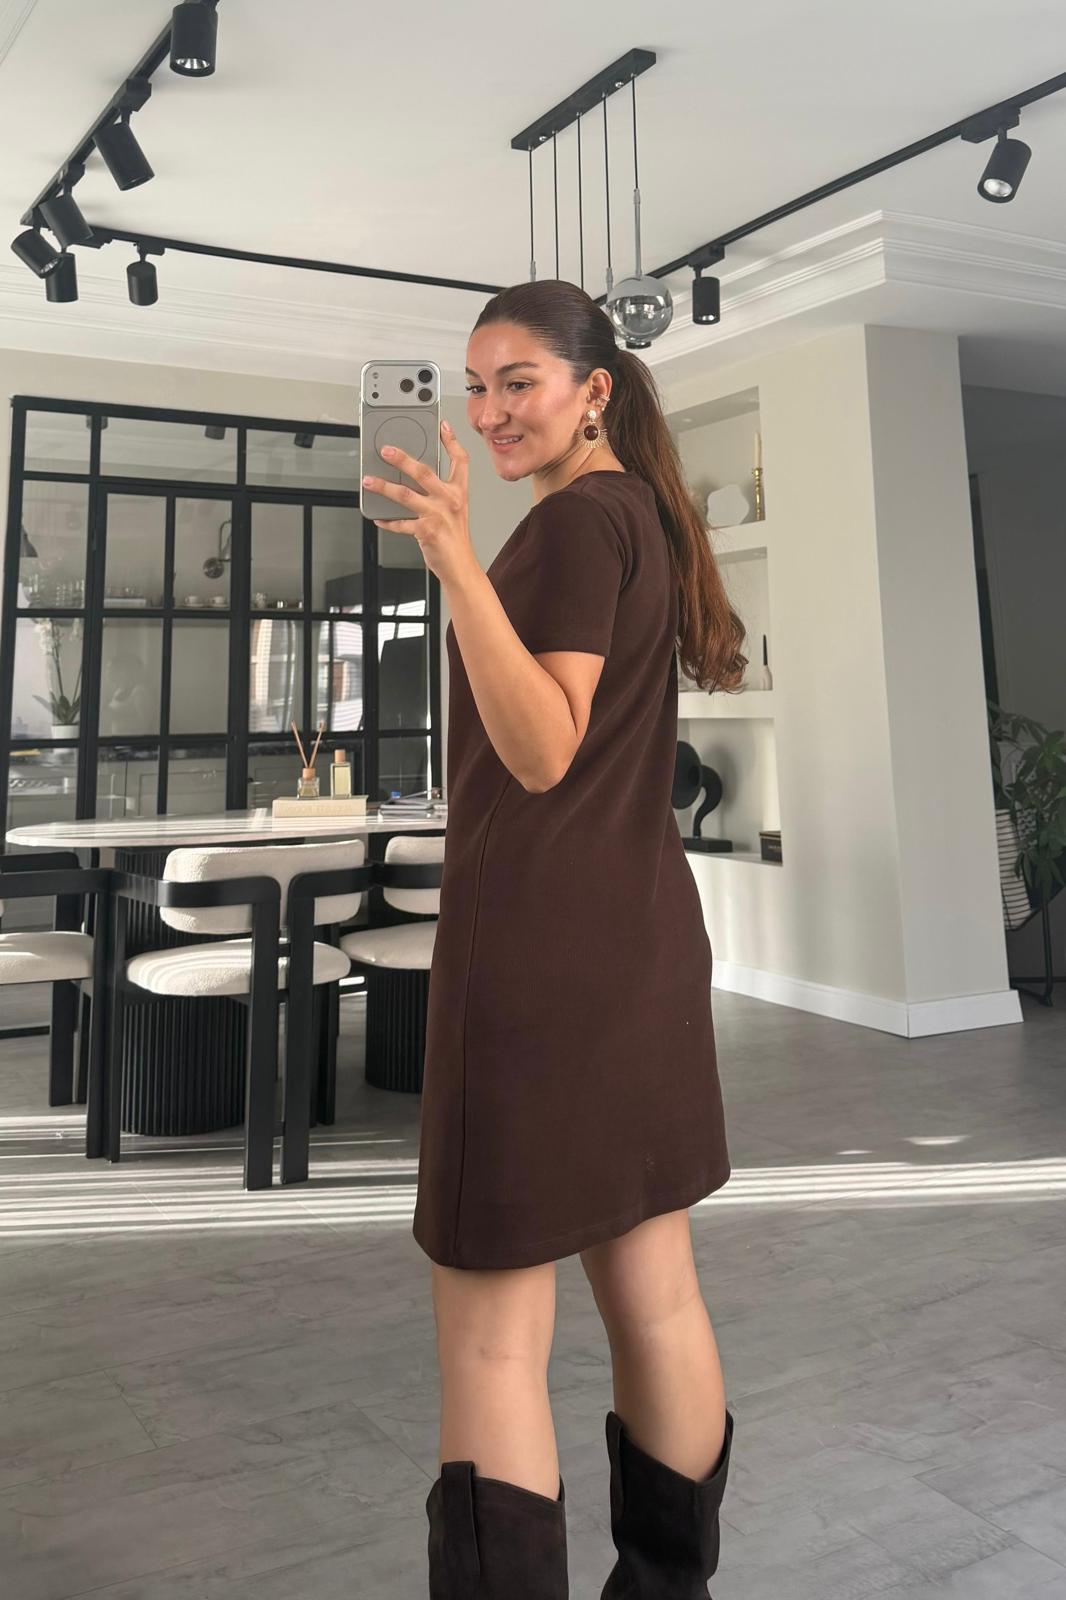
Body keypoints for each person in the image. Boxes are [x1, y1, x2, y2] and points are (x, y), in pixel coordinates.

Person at [362, 278, 747, 1599]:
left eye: (516, 381)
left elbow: (539, 751)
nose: (487, 412)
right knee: (657, 1296)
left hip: (534, 962)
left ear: (594, 390)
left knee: (488, 1339)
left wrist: (453, 558)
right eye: (474, 387)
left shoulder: (575, 525)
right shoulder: (634, 515)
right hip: (637, 949)